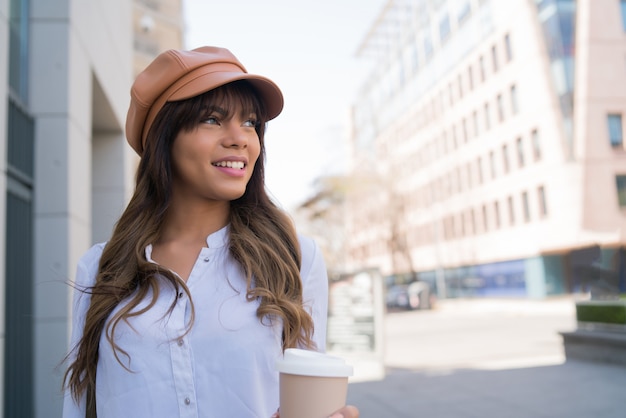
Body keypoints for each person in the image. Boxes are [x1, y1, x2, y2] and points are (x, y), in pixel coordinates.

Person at [62, 46, 359, 418]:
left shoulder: (295, 258)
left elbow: (309, 393)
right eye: (213, 119)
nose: (240, 138)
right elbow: (77, 406)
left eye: (250, 122)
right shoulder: (100, 267)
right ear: (164, 139)